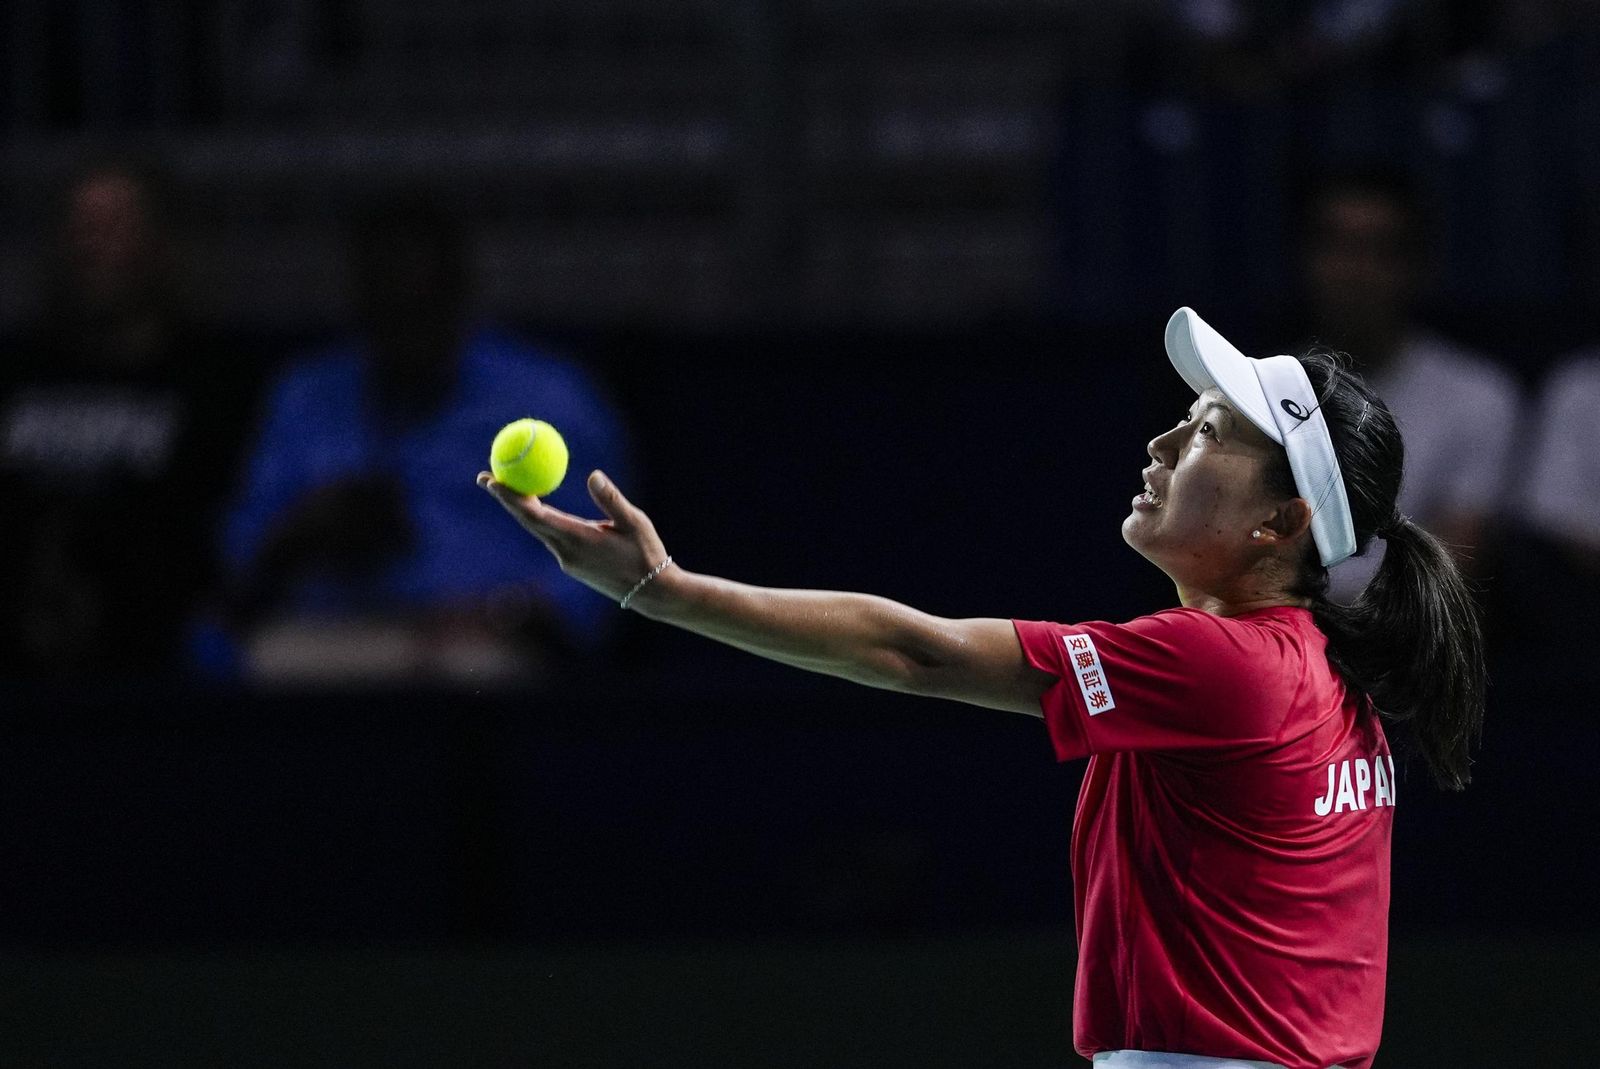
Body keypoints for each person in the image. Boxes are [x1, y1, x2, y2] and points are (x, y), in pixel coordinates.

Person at [478, 308, 1485, 1069]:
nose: (1163, 446)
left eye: (1209, 433)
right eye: (1184, 419)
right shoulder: (1325, 674)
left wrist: (664, 591)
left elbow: (916, 653)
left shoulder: (1224, 665)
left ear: (1280, 523)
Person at [221, 192, 631, 685]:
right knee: (264, 659)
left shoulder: (549, 398)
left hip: (486, 642)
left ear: (457, 293)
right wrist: (305, 531)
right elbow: (240, 556)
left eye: (422, 305)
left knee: (474, 668)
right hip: (341, 633)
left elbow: (605, 563)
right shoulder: (305, 395)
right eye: (389, 306)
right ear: (361, 301)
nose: (407, 323)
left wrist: (503, 613)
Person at [0, 158, 260, 680]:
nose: (92, 245)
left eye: (115, 226)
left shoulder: (213, 382)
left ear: (162, 246)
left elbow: (218, 540)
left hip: (157, 663)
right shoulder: (15, 374)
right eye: (81, 227)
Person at [1293, 169, 1523, 601]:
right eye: (1337, 246)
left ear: (1418, 266)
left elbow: (1450, 564)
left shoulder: (1479, 396)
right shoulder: (1253, 392)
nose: (1355, 272)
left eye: (1379, 250)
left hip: (1404, 635)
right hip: (1270, 633)